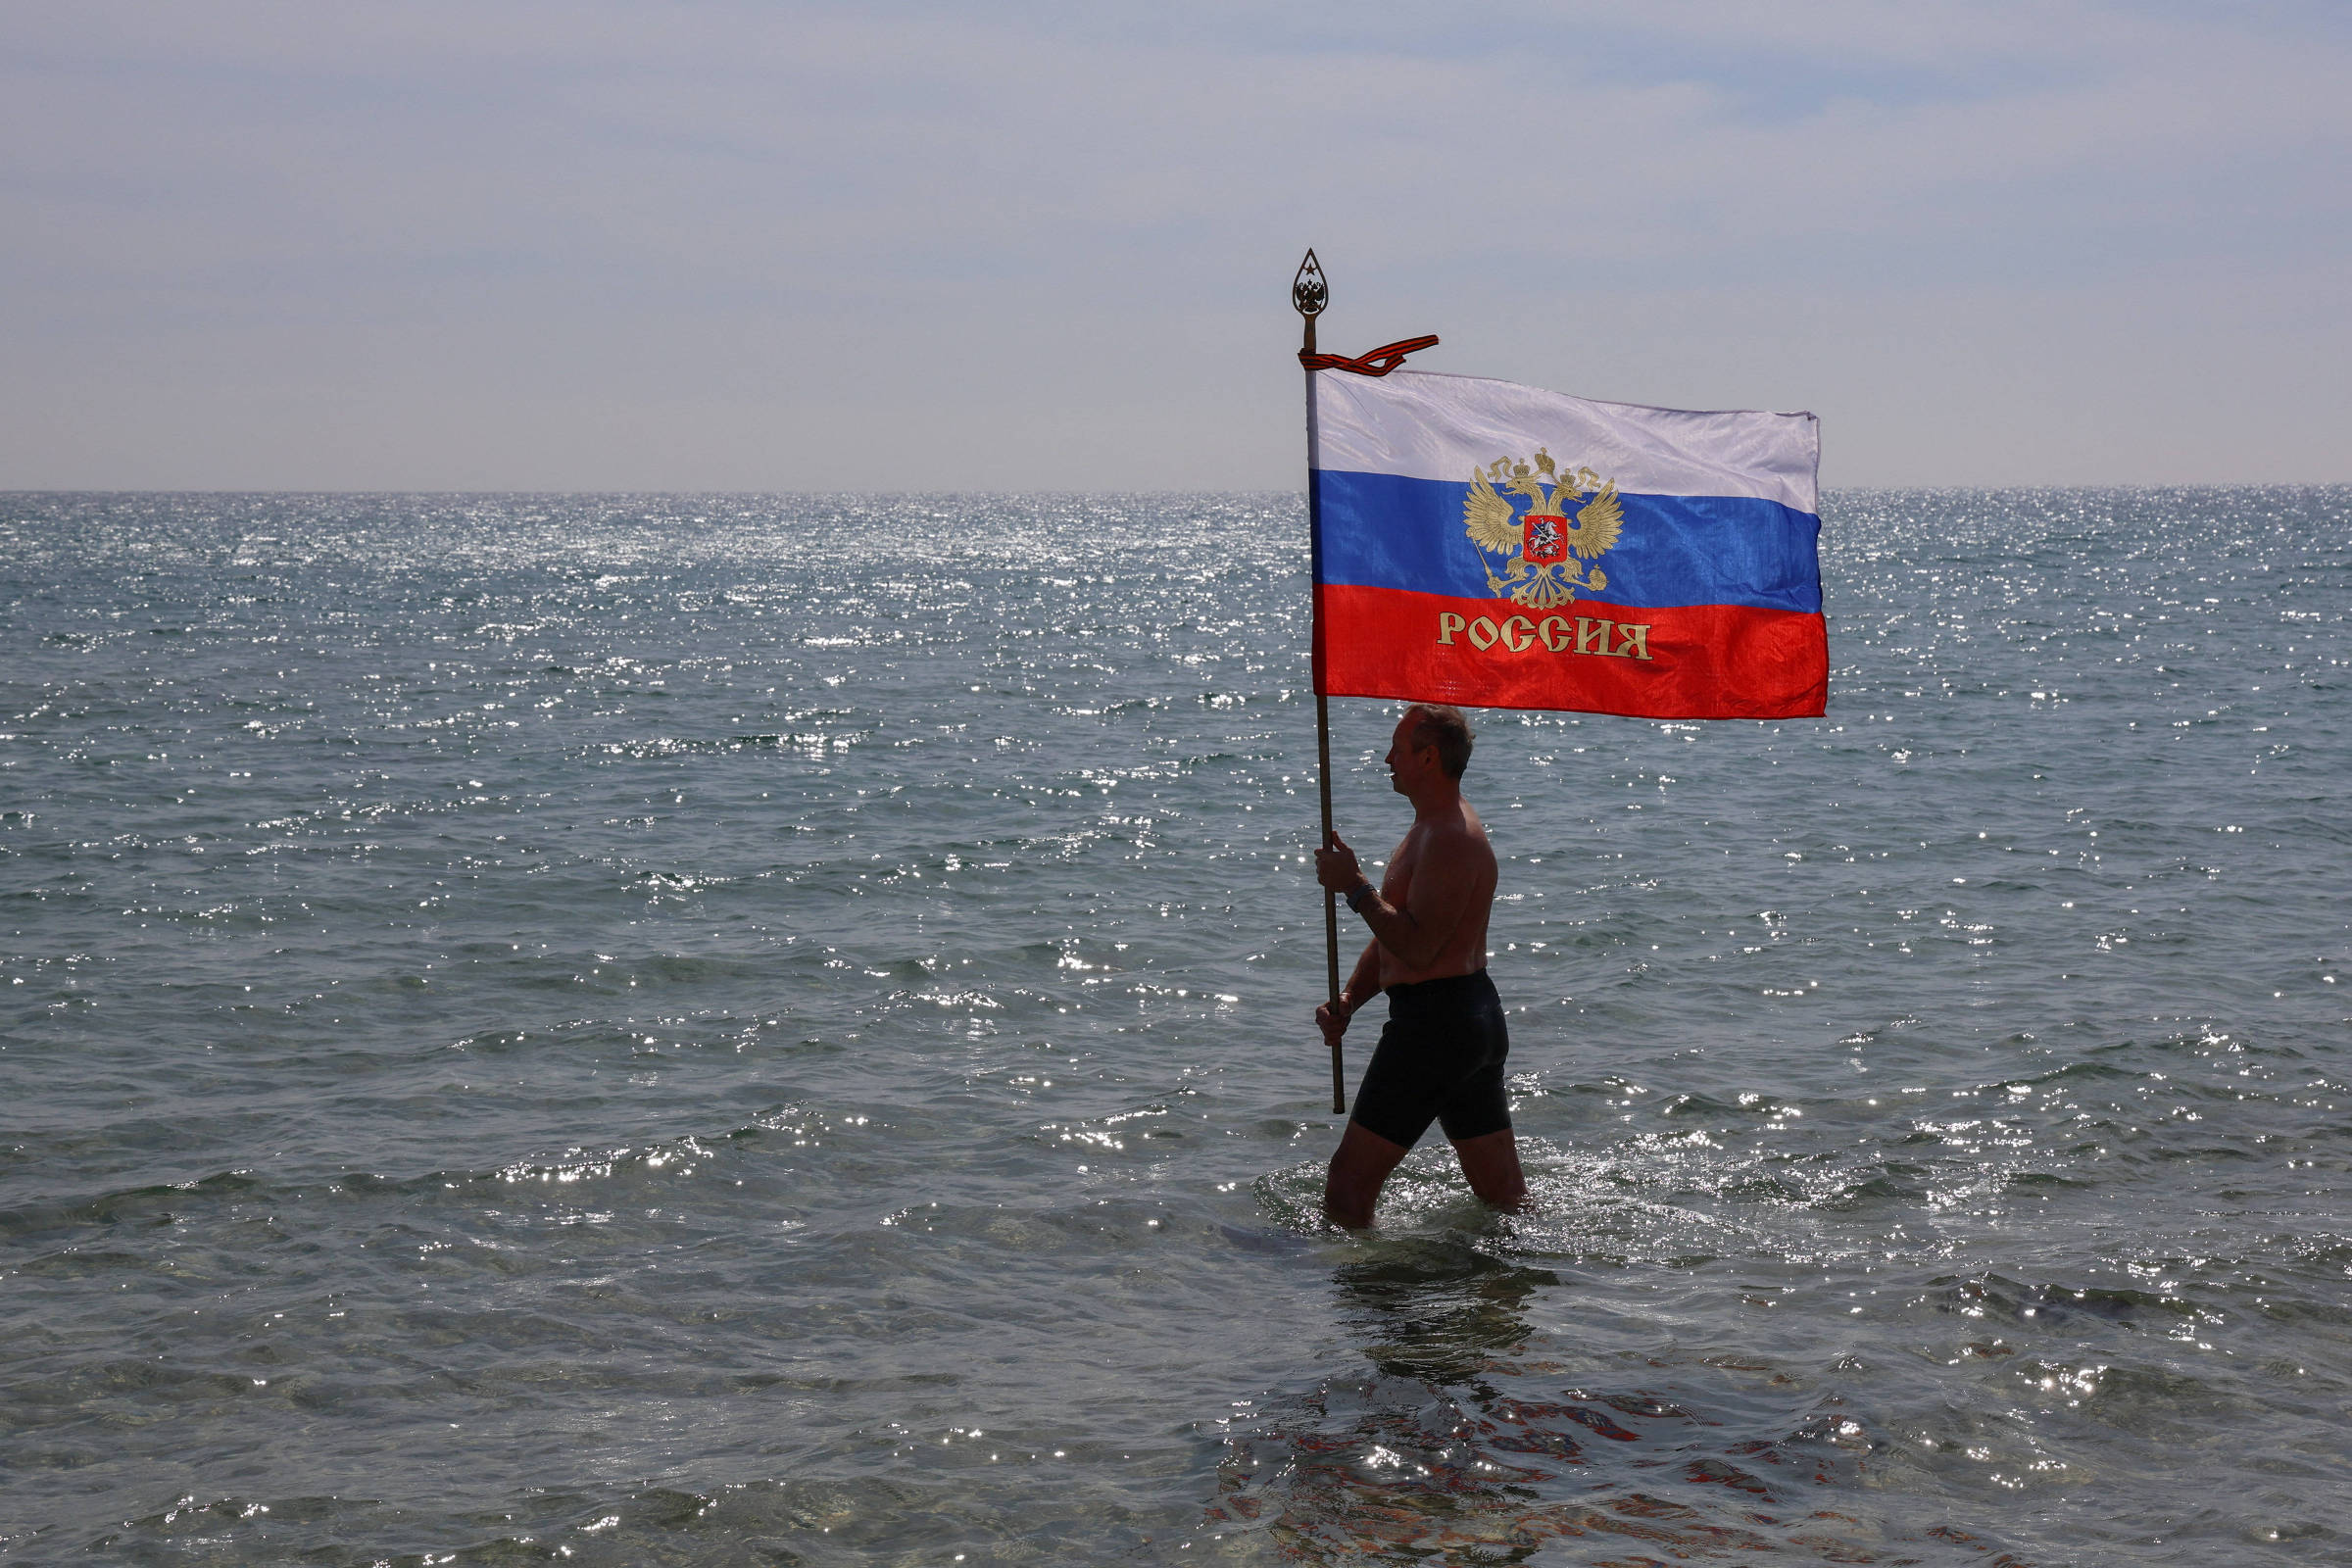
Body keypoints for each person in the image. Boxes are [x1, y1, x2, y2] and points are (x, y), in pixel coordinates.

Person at [1312, 703, 1527, 1228]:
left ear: (1428, 758)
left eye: (1397, 749)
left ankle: (1368, 1305)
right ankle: (1514, 1296)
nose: (1387, 758)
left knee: (1347, 1190)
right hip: (1463, 1020)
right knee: (1503, 1198)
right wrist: (1350, 1000)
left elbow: (1417, 946)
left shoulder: (1452, 837)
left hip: (1436, 1027)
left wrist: (1354, 886)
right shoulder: (1428, 828)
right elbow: (1397, 933)